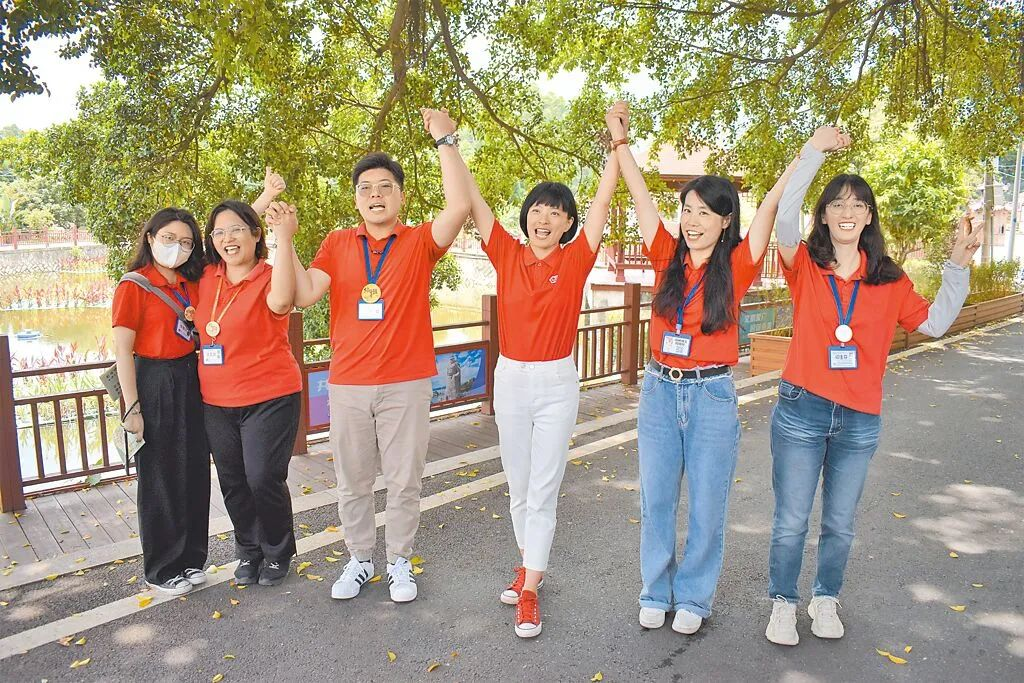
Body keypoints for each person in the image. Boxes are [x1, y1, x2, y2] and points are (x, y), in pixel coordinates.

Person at [764, 127, 982, 645]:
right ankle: (782, 601)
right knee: (792, 520)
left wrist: (957, 266)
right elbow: (784, 216)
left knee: (839, 522)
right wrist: (814, 151)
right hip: (802, 408)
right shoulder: (805, 266)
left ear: (868, 218)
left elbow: (932, 324)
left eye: (857, 204)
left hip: (860, 416)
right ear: (824, 215)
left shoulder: (889, 277)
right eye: (836, 203)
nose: (847, 210)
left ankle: (824, 599)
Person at [607, 101, 797, 634]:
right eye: (687, 210)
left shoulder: (738, 264)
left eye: (705, 213)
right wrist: (620, 141)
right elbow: (641, 197)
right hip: (659, 391)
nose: (692, 221)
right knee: (657, 499)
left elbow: (769, 209)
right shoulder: (666, 253)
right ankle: (654, 588)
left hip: (712, 395)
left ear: (725, 219)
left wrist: (803, 156)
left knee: (708, 506)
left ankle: (693, 597)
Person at [290, 109, 471, 603]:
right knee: (352, 480)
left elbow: (459, 206)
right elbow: (305, 295)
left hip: (406, 381)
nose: (376, 194)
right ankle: (359, 560)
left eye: (386, 186)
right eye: (367, 187)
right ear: (356, 198)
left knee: (404, 480)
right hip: (347, 383)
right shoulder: (335, 243)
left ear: (401, 196)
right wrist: (283, 243)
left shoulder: (416, 242)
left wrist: (444, 139)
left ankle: (398, 562)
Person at [463, 136, 619, 638]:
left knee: (544, 488)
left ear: (568, 223)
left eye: (556, 212)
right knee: (517, 487)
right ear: (526, 215)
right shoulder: (507, 253)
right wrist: (448, 141)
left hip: (556, 380)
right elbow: (473, 200)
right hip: (510, 378)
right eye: (537, 209)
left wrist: (617, 142)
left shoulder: (575, 261)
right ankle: (530, 564)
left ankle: (530, 591)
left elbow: (602, 201)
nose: (544, 219)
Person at [194, 199, 302, 587]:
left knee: (262, 477)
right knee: (233, 481)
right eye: (219, 232)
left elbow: (282, 302)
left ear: (257, 235)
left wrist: (284, 238)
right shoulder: (206, 276)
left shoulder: (272, 274)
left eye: (238, 229)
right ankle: (249, 551)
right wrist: (249, 208)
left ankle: (277, 552)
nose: (228, 238)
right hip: (216, 401)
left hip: (269, 397)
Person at [112, 208, 209, 595]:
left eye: (186, 242)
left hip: (191, 377)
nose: (178, 248)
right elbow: (123, 352)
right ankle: (162, 567)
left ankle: (192, 559)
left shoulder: (191, 283)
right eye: (169, 239)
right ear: (150, 238)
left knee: (194, 470)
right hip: (153, 380)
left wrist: (267, 197)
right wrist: (132, 408)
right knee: (159, 476)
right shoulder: (134, 285)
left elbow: (231, 235)